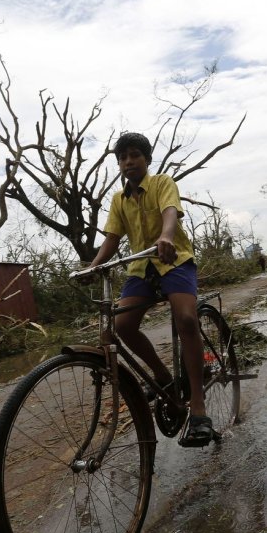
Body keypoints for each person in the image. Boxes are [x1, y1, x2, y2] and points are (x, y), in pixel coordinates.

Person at [83, 132, 213, 446]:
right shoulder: (118, 200)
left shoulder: (162, 183)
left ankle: (198, 406)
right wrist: (93, 265)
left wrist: (166, 237)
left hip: (174, 261)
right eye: (122, 158)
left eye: (134, 155)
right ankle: (163, 376)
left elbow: (170, 213)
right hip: (141, 269)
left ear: (146, 159)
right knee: (122, 326)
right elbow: (112, 239)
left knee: (186, 319)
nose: (128, 162)